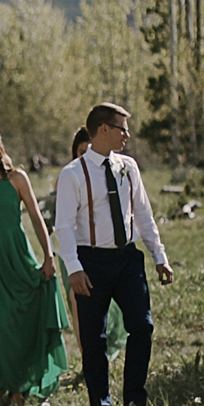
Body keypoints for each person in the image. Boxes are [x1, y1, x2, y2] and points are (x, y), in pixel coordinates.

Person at [53, 106, 173, 406]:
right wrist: (75, 268)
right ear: (103, 129)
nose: (127, 134)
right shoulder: (73, 174)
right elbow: (63, 226)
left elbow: (143, 214)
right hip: (90, 262)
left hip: (127, 258)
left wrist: (159, 257)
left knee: (142, 327)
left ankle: (134, 400)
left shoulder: (128, 167)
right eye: (122, 128)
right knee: (95, 340)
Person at [0, 126, 69, 403]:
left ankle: (19, 384)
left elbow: (35, 217)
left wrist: (48, 256)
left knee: (20, 319)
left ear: (0, 150)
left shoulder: (17, 178)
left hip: (17, 254)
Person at [60, 127, 128, 377]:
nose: (85, 156)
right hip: (74, 253)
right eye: (80, 151)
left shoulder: (113, 174)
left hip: (104, 251)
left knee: (109, 308)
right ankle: (88, 359)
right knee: (79, 306)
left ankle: (105, 351)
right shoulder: (69, 177)